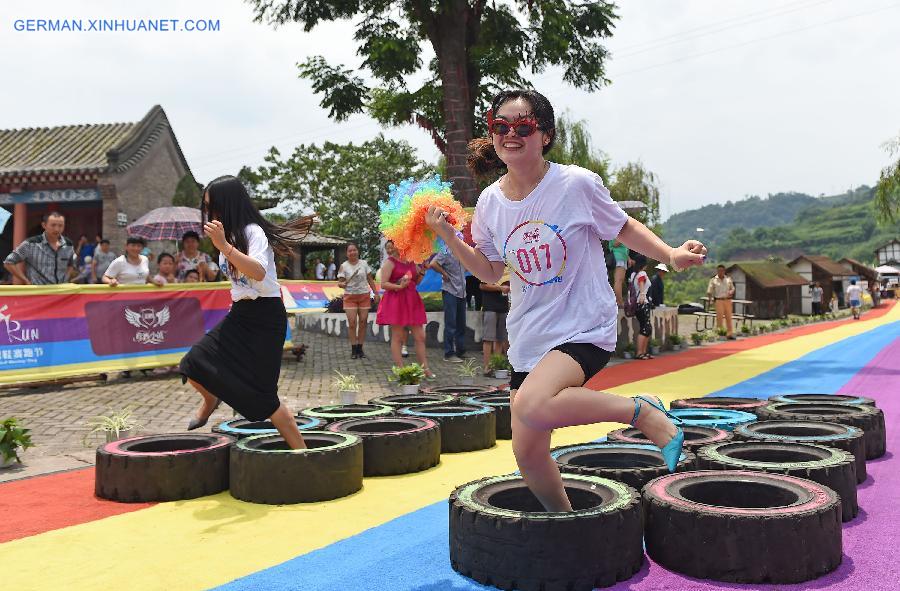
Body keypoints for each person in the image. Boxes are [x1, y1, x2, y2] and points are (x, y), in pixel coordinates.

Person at [424, 88, 706, 512]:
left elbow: (622, 227)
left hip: (583, 327)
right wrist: (448, 237)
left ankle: (641, 411)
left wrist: (669, 255)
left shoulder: (575, 184)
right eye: (501, 126)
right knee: (529, 454)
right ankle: (566, 525)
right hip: (528, 338)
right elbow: (486, 270)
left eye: (524, 126)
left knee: (530, 404)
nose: (510, 134)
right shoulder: (489, 203)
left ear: (546, 135)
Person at [179, 175, 311, 449]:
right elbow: (234, 276)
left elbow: (258, 271)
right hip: (240, 314)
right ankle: (211, 400)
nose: (209, 212)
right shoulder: (224, 236)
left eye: (211, 205)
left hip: (265, 317)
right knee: (193, 362)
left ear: (226, 204)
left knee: (264, 395)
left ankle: (303, 454)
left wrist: (224, 248)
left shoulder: (252, 232)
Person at [376, 239, 434, 378]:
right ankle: (401, 369)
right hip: (396, 301)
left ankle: (425, 369)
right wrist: (399, 287)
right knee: (398, 336)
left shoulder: (412, 261)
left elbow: (416, 282)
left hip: (412, 300)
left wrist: (423, 271)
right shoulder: (389, 262)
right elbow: (383, 284)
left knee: (420, 336)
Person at [3, 211, 77, 285]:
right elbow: (8, 263)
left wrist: (66, 278)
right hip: (39, 293)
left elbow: (71, 264)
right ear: (44, 225)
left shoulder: (68, 244)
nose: (57, 229)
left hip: (61, 293)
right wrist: (26, 280)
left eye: (60, 226)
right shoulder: (31, 244)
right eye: (53, 225)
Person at [337, 243, 380, 358]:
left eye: (354, 250)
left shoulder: (364, 264)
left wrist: (375, 293)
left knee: (363, 322)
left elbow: (370, 280)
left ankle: (360, 349)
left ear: (358, 251)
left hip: (364, 296)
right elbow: (340, 283)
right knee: (352, 323)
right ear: (347, 253)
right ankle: (353, 349)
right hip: (350, 297)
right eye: (350, 251)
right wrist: (343, 284)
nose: (352, 252)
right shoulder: (344, 266)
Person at [430, 249, 469, 362]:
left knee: (461, 324)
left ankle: (460, 351)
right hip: (450, 290)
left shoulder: (461, 251)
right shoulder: (445, 250)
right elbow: (433, 263)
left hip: (462, 292)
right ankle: (449, 353)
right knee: (451, 323)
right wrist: (444, 273)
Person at [480, 271, 511, 376]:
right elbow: (482, 285)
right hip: (490, 307)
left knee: (501, 338)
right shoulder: (487, 268)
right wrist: (500, 288)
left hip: (503, 306)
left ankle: (496, 366)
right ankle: (486, 367)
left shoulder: (507, 269)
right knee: (488, 338)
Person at [627, 252, 654, 359]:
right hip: (642, 303)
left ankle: (643, 351)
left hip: (637, 304)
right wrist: (642, 295)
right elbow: (641, 284)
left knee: (646, 327)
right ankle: (640, 352)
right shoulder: (642, 274)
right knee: (645, 327)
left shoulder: (633, 274)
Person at [707, 264, 736, 339]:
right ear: (717, 271)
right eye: (719, 270)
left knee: (729, 318)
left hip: (728, 300)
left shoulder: (728, 279)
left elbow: (733, 288)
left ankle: (729, 334)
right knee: (719, 318)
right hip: (719, 300)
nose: (720, 272)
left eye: (722, 270)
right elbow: (709, 291)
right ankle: (720, 334)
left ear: (724, 271)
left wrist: (731, 291)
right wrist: (710, 301)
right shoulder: (713, 280)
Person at [608, 239, 629, 307]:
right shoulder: (617, 230)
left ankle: (619, 301)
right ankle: (619, 302)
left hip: (622, 257)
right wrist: (626, 236)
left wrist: (629, 259)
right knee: (618, 281)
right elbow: (615, 243)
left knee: (620, 280)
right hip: (618, 256)